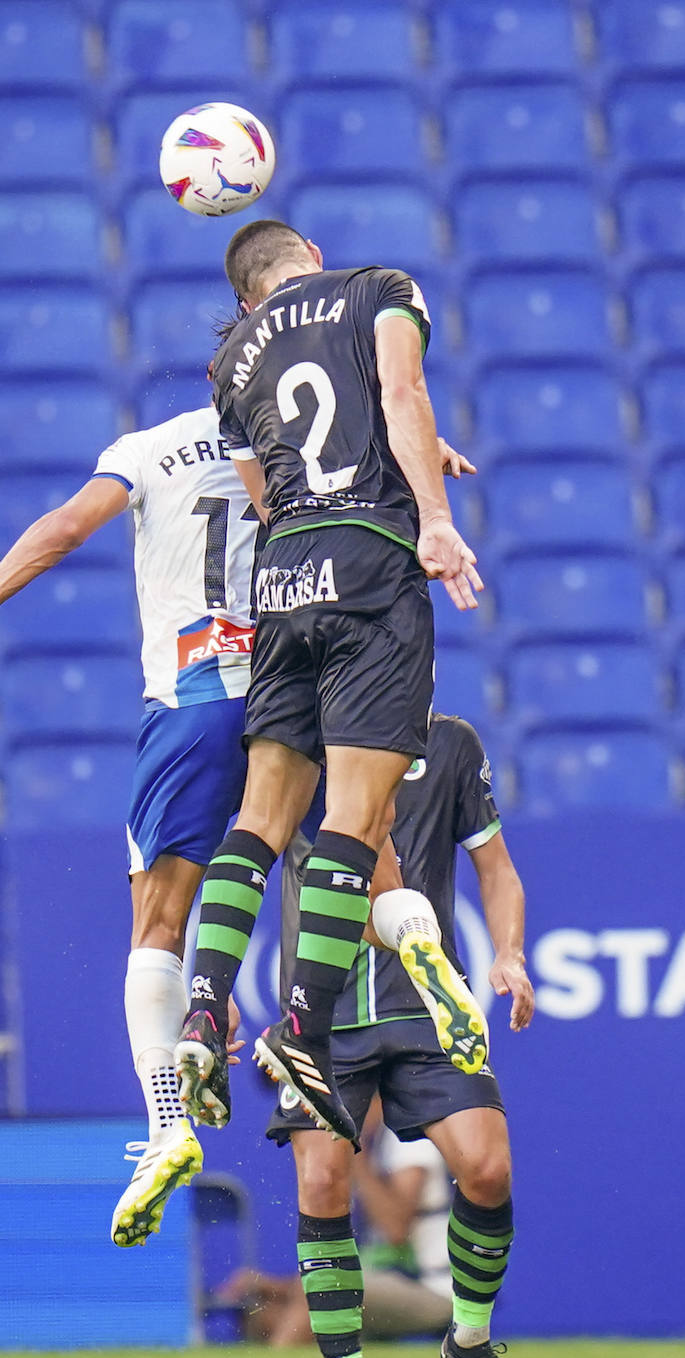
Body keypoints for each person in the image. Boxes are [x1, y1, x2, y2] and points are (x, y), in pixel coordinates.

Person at [0, 399, 258, 1248]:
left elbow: (67, 529)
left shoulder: (149, 447)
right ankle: (287, 1027)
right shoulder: (297, 433)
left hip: (194, 696)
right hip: (294, 692)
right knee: (326, 858)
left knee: (156, 923)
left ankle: (165, 1121)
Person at [175, 220, 486, 1144]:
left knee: (260, 818)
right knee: (353, 819)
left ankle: (203, 1007)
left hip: (283, 579)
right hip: (369, 567)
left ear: (246, 293)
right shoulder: (376, 285)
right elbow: (399, 389)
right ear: (308, 250)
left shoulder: (230, 359)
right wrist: (430, 511)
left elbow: (269, 489)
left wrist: (411, 454)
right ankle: (303, 1031)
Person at [267, 712, 534, 1358]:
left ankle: (467, 1341)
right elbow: (241, 857)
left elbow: (495, 868)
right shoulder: (293, 738)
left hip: (427, 1011)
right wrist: (212, 998)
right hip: (319, 1011)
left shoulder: (449, 744)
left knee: (487, 1167)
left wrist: (509, 954)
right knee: (323, 1181)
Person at [220, 1095, 454, 1347]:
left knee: (323, 1287)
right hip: (386, 1280)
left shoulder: (408, 1138)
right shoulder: (373, 1144)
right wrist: (274, 1286)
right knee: (264, 1309)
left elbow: (395, 1230)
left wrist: (354, 1156)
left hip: (433, 1288)